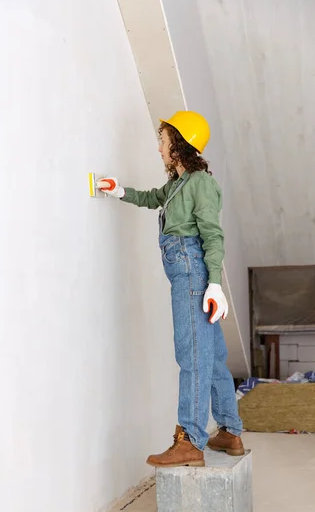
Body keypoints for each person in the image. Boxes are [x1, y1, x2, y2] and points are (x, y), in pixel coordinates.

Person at [98, 111, 244, 468]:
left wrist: (214, 284)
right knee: (210, 356)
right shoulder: (178, 184)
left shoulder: (200, 183)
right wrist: (121, 192)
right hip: (186, 270)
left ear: (180, 145)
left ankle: (190, 440)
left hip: (192, 273)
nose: (159, 146)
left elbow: (212, 235)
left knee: (191, 355)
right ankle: (230, 431)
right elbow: (152, 198)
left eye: (163, 139)